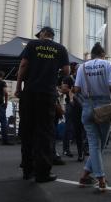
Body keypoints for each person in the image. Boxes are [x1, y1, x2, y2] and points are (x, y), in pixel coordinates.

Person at [15, 26, 70, 183]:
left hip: (30, 93)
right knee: (45, 133)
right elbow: (66, 71)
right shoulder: (60, 49)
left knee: (27, 131)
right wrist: (54, 76)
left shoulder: (32, 45)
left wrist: (19, 87)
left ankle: (27, 169)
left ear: (43, 34)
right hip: (47, 94)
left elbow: (23, 65)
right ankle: (43, 173)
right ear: (52, 35)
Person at [73, 42, 111, 192]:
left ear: (91, 55)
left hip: (87, 106)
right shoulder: (107, 64)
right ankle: (101, 179)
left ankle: (85, 176)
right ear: (103, 54)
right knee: (100, 145)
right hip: (104, 106)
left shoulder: (82, 67)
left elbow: (76, 89)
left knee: (94, 145)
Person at [61, 62, 86, 162]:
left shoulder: (83, 79)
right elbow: (63, 89)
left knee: (80, 129)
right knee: (71, 128)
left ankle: (80, 151)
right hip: (73, 105)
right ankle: (68, 149)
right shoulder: (69, 78)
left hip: (79, 105)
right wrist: (70, 91)